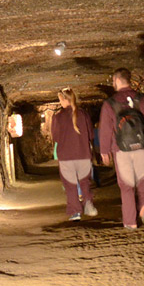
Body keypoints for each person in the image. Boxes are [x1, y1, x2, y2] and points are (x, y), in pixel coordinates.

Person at [99, 68, 144, 229]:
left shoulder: (110, 104)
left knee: (126, 185)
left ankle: (130, 222)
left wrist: (104, 151)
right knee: (142, 179)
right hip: (140, 147)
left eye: (113, 81)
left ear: (117, 80)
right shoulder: (143, 99)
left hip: (120, 150)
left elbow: (105, 129)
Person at [51, 87, 98, 221]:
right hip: (83, 154)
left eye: (60, 99)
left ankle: (75, 212)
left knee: (70, 185)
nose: (60, 102)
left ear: (64, 99)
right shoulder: (83, 114)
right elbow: (90, 134)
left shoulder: (58, 117)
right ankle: (88, 203)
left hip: (66, 156)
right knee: (84, 182)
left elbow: (56, 138)